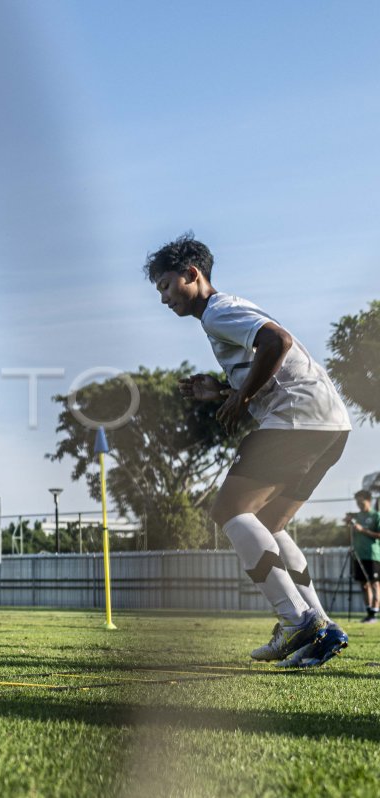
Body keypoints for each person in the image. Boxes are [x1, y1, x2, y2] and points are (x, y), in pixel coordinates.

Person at [146, 232, 351, 667]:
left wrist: (240, 399)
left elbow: (276, 342)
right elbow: (267, 363)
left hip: (298, 418)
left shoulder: (218, 311)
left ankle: (298, 621)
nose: (163, 298)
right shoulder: (224, 313)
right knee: (269, 522)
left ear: (191, 274)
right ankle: (319, 627)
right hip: (329, 423)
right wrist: (223, 391)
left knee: (228, 511)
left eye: (165, 286)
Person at [346, 490, 380, 623]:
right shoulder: (357, 516)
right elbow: (352, 534)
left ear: (368, 500)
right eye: (357, 502)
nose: (359, 504)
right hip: (358, 556)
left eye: (361, 501)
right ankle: (368, 613)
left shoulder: (376, 515)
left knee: (375, 584)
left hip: (372, 555)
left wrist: (363, 530)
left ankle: (374, 614)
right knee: (364, 585)